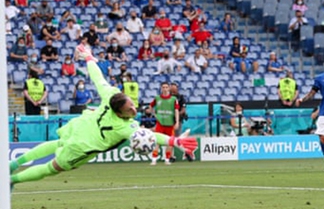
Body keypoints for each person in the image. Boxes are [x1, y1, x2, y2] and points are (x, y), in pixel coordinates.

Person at [10, 46, 198, 188]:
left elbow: (97, 77)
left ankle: (13, 164)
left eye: (132, 105)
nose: (134, 109)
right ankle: (11, 180)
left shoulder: (111, 95)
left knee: (58, 143)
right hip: (82, 146)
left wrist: (89, 58)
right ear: (119, 113)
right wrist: (174, 141)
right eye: (129, 110)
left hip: (82, 126)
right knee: (53, 168)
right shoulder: (124, 127)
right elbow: (152, 136)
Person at [149, 82, 181, 165]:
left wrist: (177, 122)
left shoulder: (173, 99)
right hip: (160, 123)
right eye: (163, 87)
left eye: (166, 87)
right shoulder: (157, 98)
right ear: (161, 88)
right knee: (157, 141)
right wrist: (154, 114)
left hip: (170, 123)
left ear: (169, 88)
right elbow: (151, 106)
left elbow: (176, 110)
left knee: (170, 143)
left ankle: (167, 159)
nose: (165, 89)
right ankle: (154, 159)